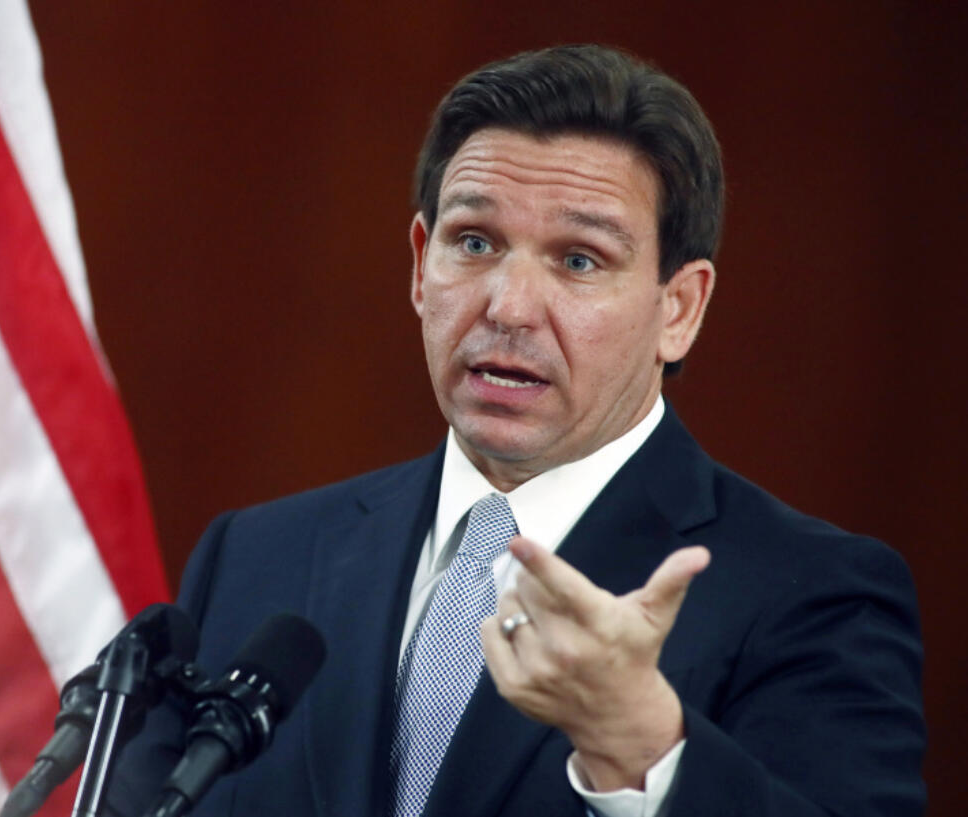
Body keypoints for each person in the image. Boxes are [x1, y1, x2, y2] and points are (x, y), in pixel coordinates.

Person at [102, 44, 925, 817]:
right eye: (475, 241)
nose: (508, 306)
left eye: (579, 260)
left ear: (679, 309)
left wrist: (639, 741)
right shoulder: (257, 555)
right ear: (421, 265)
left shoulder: (813, 593)